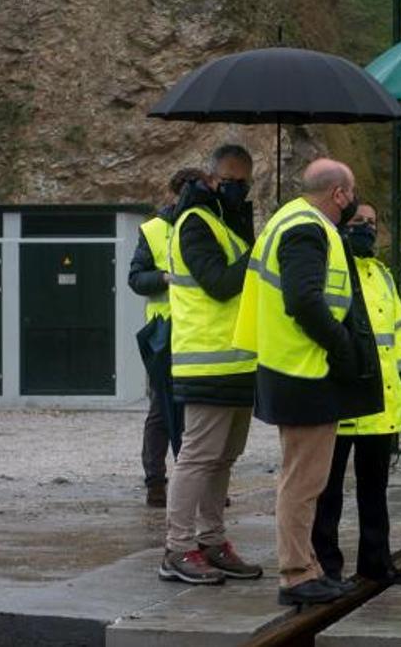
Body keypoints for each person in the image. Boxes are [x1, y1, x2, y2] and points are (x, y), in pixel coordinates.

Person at [234, 158, 383, 606]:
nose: (353, 201)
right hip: (305, 371)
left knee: (303, 479)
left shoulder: (291, 219)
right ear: (339, 194)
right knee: (303, 482)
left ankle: (309, 567)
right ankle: (297, 574)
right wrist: (342, 346)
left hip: (295, 368)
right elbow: (304, 299)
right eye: (351, 192)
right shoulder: (307, 228)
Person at [158, 145, 260, 586]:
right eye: (231, 180)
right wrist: (260, 256)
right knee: (197, 458)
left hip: (238, 362)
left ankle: (212, 540)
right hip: (206, 364)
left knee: (223, 459)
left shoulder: (228, 224)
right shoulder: (195, 223)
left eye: (245, 180)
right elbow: (219, 284)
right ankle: (177, 549)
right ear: (212, 179)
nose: (238, 187)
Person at [310, 201, 401, 587]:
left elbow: (400, 328)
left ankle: (376, 560)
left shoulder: (382, 274)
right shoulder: (329, 269)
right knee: (328, 493)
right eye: (358, 221)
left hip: (379, 403)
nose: (366, 229)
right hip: (340, 400)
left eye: (372, 222)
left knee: (375, 492)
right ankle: (327, 566)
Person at [127, 168, 188, 507]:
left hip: (197, 332)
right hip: (164, 331)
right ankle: (156, 482)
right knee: (161, 409)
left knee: (193, 409)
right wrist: (165, 277)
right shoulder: (152, 230)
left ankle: (191, 482)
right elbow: (136, 279)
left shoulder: (207, 227)